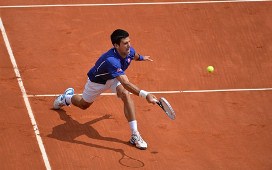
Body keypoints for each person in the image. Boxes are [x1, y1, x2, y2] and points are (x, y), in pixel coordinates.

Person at [53, 29, 157, 150]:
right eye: (125, 43)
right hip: (97, 82)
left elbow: (134, 55)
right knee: (84, 105)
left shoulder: (129, 51)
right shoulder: (111, 60)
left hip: (114, 78)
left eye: (129, 41)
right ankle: (66, 98)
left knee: (125, 95)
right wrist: (146, 95)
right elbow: (126, 82)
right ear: (116, 45)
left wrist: (142, 58)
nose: (129, 45)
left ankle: (135, 134)